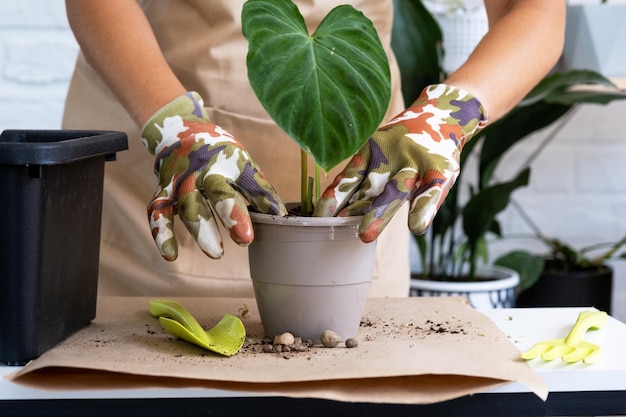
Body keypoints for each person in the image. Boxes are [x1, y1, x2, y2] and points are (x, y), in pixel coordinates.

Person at [62, 0, 565, 297]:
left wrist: (446, 117)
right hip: (160, 162)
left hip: (358, 207)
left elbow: (537, 11)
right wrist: (172, 125)